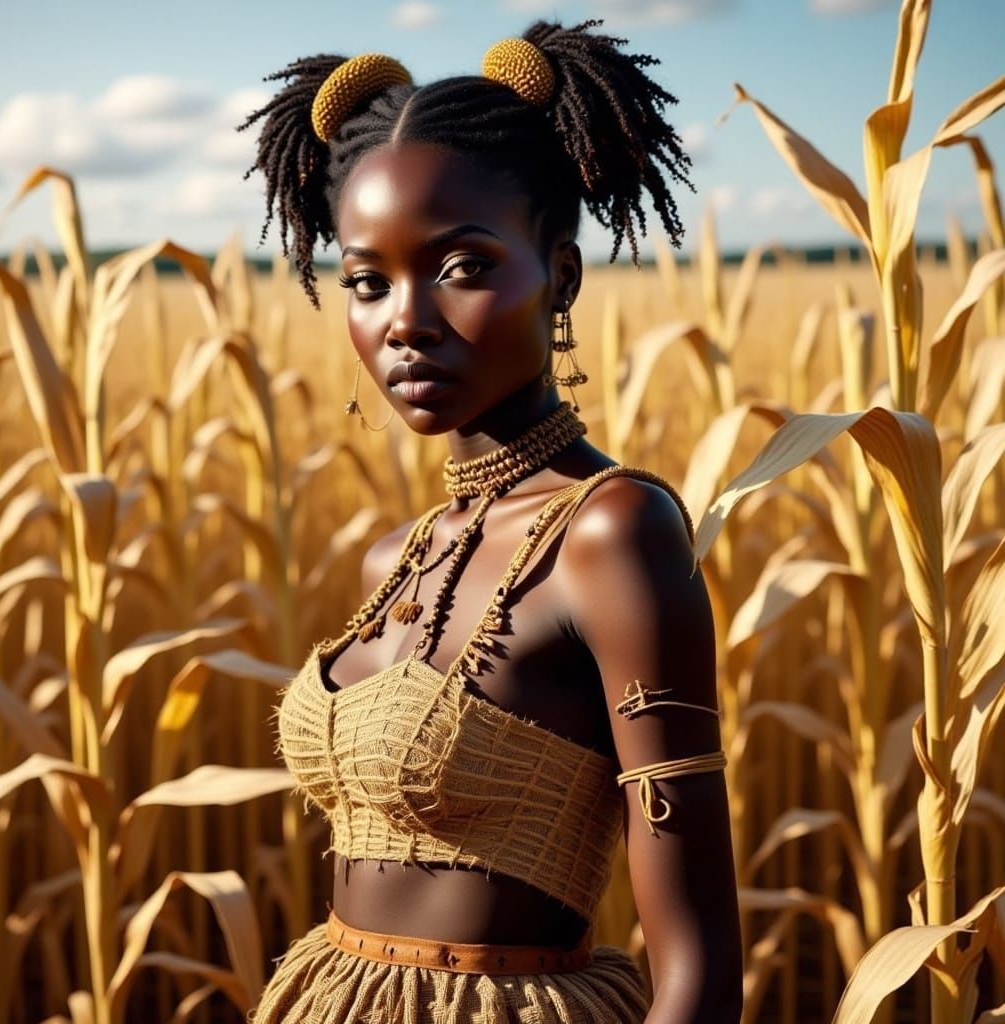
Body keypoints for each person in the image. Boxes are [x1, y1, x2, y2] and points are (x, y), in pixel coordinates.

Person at [239, 18, 741, 1024]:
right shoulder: (401, 552)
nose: (404, 320)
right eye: (367, 281)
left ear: (559, 276)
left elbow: (699, 963)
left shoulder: (612, 532)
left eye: (461, 266)